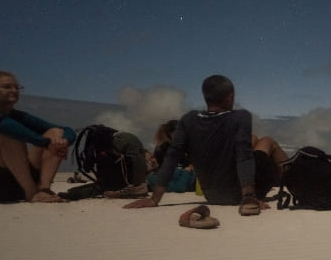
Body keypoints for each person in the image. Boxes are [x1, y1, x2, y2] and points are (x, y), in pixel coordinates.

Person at [123, 75, 288, 215]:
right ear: (229, 97)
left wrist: (154, 198)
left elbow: (172, 159)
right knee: (267, 141)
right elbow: (244, 156)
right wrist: (249, 197)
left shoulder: (188, 120)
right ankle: (290, 181)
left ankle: (284, 180)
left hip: (213, 195)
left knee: (254, 139)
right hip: (240, 194)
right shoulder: (241, 117)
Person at [0, 70, 74, 203]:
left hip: (8, 185)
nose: (14, 90)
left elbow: (66, 130)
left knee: (55, 133)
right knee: (8, 136)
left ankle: (44, 189)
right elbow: (7, 126)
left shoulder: (17, 116)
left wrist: (62, 142)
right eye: (7, 87)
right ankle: (32, 193)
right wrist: (45, 143)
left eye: (17, 87)